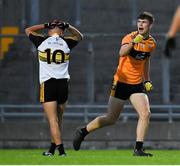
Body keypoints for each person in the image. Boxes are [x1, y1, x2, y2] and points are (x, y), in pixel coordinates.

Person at [73, 12, 156, 157]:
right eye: (139, 22)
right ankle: (83, 131)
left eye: (144, 22)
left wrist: (147, 79)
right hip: (121, 82)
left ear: (150, 25)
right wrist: (133, 42)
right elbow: (122, 52)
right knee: (111, 118)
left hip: (136, 84)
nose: (140, 24)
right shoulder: (130, 37)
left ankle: (138, 149)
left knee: (145, 113)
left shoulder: (151, 43)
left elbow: (146, 61)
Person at [25, 20, 83, 156]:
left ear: (50, 30)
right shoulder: (66, 41)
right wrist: (69, 26)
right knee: (59, 120)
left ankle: (61, 151)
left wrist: (44, 25)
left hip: (48, 84)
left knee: (52, 120)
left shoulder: (41, 41)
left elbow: (28, 30)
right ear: (62, 32)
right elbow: (80, 36)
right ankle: (52, 150)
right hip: (63, 84)